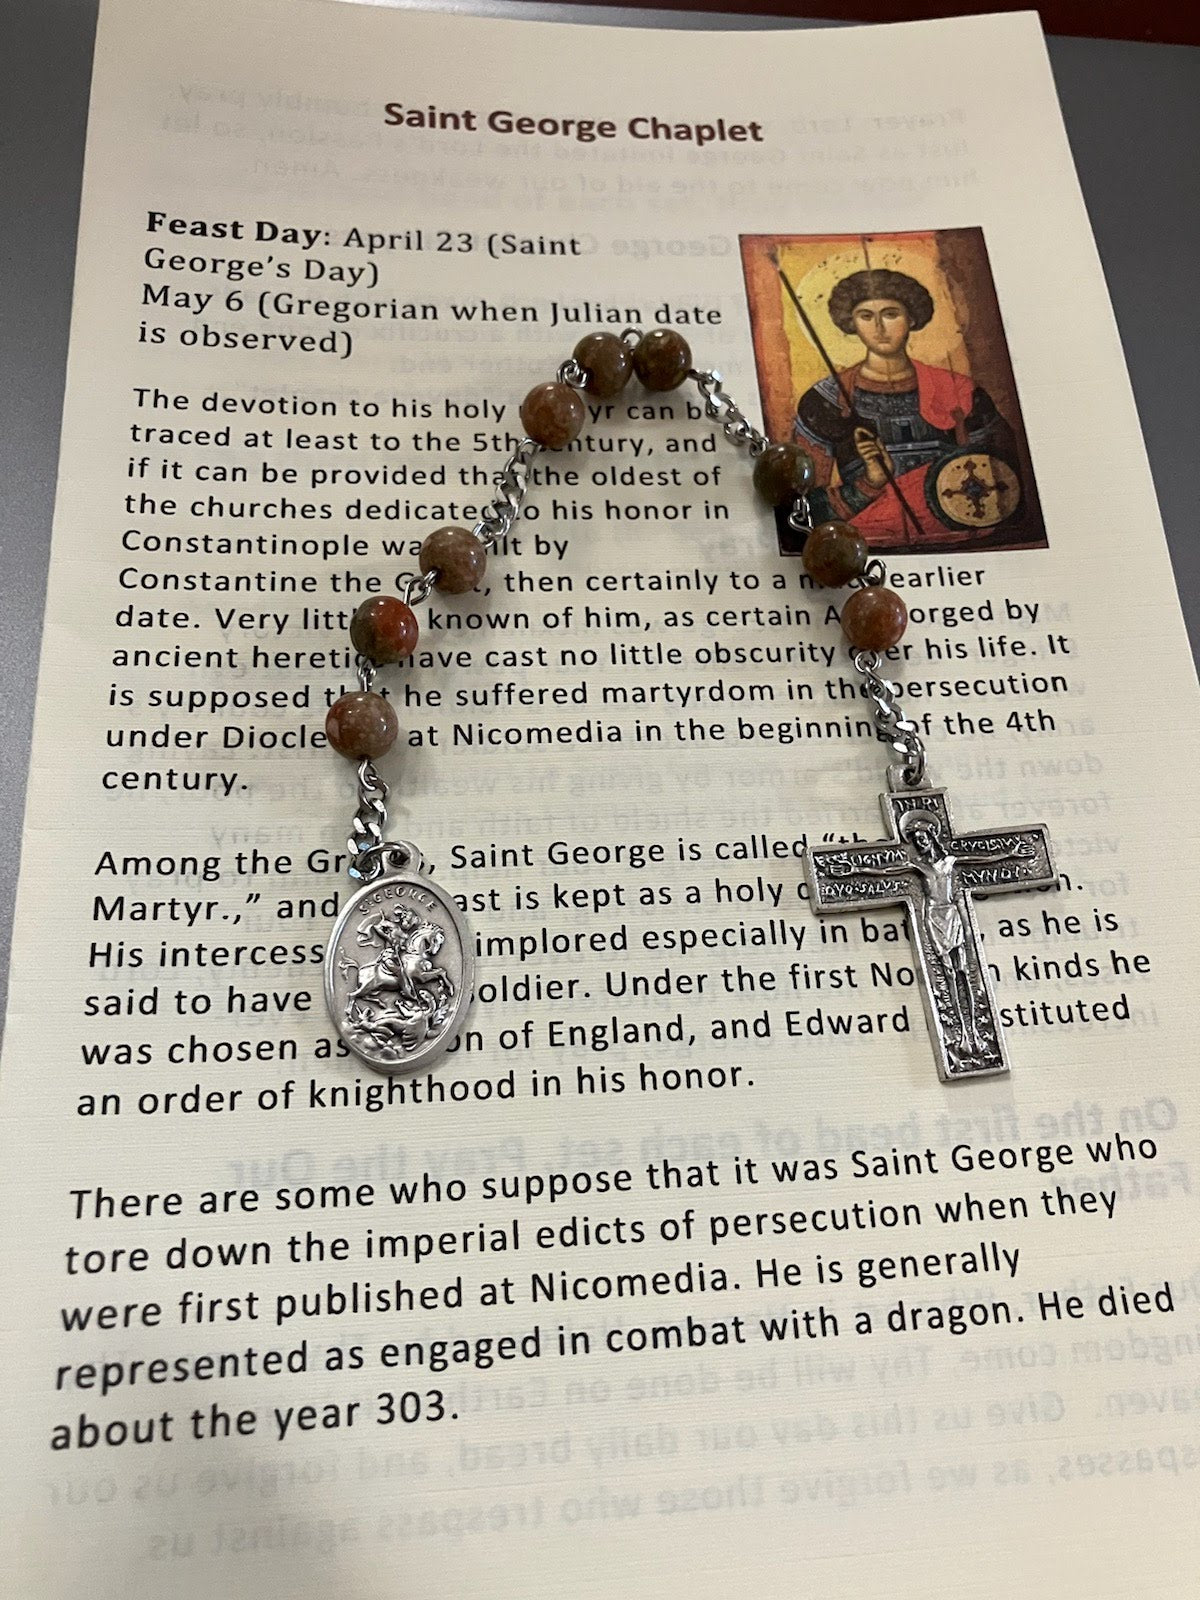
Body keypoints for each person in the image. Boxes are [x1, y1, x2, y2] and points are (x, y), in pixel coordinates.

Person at [792, 268, 1017, 545]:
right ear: (851, 323)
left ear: (911, 318)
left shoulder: (960, 391)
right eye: (866, 316)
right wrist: (870, 483)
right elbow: (803, 510)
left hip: (966, 539)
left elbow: (1005, 477)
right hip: (867, 546)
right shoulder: (826, 401)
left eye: (890, 314)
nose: (879, 328)